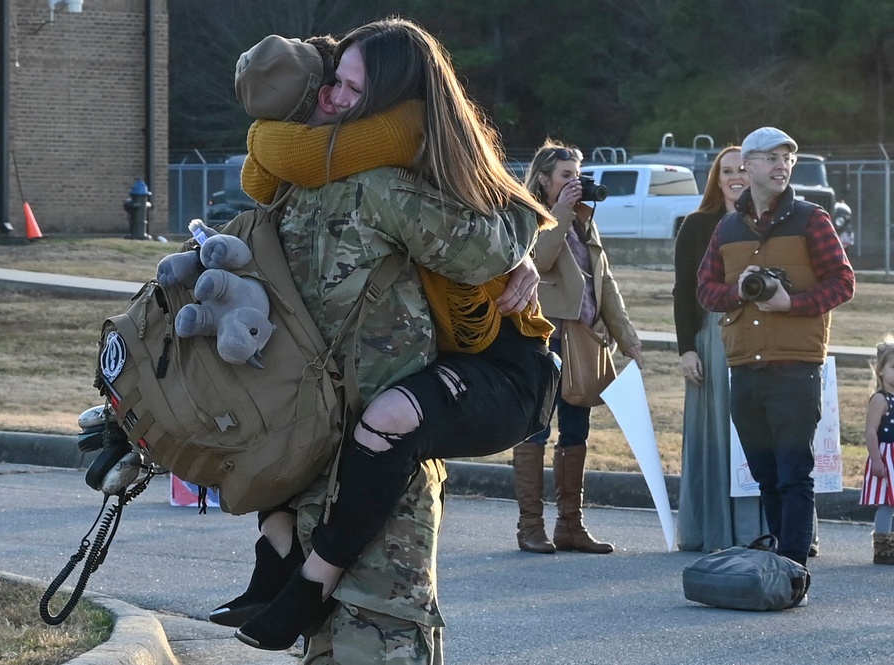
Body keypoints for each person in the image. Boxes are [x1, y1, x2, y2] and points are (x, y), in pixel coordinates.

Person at [227, 21, 556, 659]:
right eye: (334, 84)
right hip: (342, 463)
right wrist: (519, 234)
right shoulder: (322, 183)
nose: (335, 99)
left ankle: (290, 576)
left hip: (367, 460)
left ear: (390, 103)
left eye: (355, 90)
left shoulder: (337, 185)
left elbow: (483, 247)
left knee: (360, 639)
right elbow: (488, 244)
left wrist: (519, 245)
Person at [697, 126, 855, 570]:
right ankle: (782, 563)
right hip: (745, 364)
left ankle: (793, 566)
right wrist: (739, 294)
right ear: (747, 166)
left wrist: (792, 303)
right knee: (766, 474)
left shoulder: (811, 219)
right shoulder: (727, 228)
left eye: (787, 157)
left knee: (793, 474)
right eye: (771, 157)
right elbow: (706, 291)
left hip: (796, 365)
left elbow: (844, 283)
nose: (781, 165)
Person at [512, 140, 643, 555]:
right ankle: (530, 526)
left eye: (579, 174)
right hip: (541, 334)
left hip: (582, 335)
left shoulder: (585, 219)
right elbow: (541, 260)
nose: (576, 182)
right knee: (535, 427)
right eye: (566, 175)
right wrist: (563, 211)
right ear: (544, 178)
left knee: (576, 429)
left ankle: (571, 525)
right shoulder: (524, 213)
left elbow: (604, 281)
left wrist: (628, 337)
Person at [674, 146, 767, 552]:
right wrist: (686, 349)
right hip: (712, 336)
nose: (736, 177)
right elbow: (683, 292)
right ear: (716, 177)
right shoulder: (696, 225)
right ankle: (713, 529)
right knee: (715, 430)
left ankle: (758, 528)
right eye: (727, 170)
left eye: (743, 170)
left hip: (762, 331)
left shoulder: (769, 222)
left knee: (759, 427)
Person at [860, 336, 894, 565]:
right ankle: (882, 547)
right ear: (881, 370)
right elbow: (870, 431)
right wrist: (876, 460)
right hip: (886, 456)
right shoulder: (881, 399)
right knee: (887, 503)